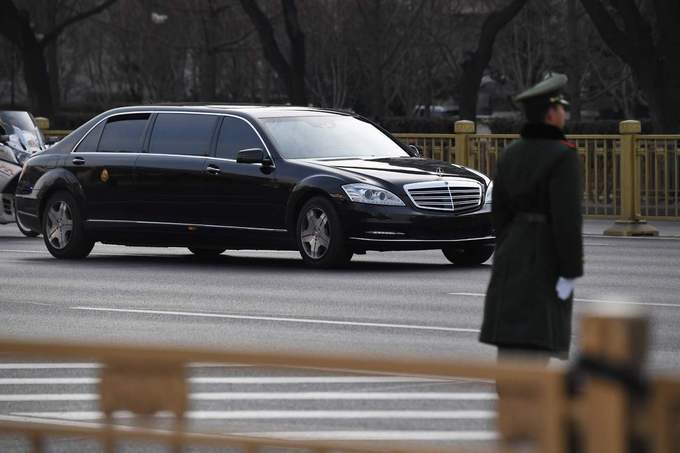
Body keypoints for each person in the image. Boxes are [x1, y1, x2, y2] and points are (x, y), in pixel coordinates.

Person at [479, 73, 584, 364]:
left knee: (511, 346)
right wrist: (571, 270)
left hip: (512, 253)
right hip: (546, 257)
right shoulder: (562, 156)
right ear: (551, 114)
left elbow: (498, 212)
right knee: (537, 345)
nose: (565, 113)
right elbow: (567, 221)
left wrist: (510, 243)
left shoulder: (511, 152)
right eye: (562, 107)